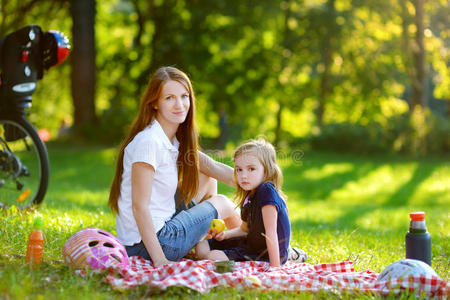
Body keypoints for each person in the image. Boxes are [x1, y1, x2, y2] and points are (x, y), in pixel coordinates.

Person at [108, 66, 239, 267]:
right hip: (150, 245)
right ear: (155, 104)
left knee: (205, 175)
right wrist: (160, 259)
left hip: (159, 228)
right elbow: (139, 207)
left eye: (184, 96)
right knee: (224, 203)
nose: (179, 104)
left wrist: (262, 183)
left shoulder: (173, 141)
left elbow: (214, 168)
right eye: (169, 98)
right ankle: (255, 248)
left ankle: (206, 246)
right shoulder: (150, 142)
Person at [196, 139, 299, 267]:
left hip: (264, 253)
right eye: (239, 169)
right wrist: (224, 235)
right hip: (249, 244)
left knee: (211, 257)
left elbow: (271, 233)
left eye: (251, 169)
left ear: (266, 171)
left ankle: (290, 254)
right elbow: (244, 230)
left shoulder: (266, 191)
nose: (243, 175)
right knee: (201, 247)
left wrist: (275, 267)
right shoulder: (249, 195)